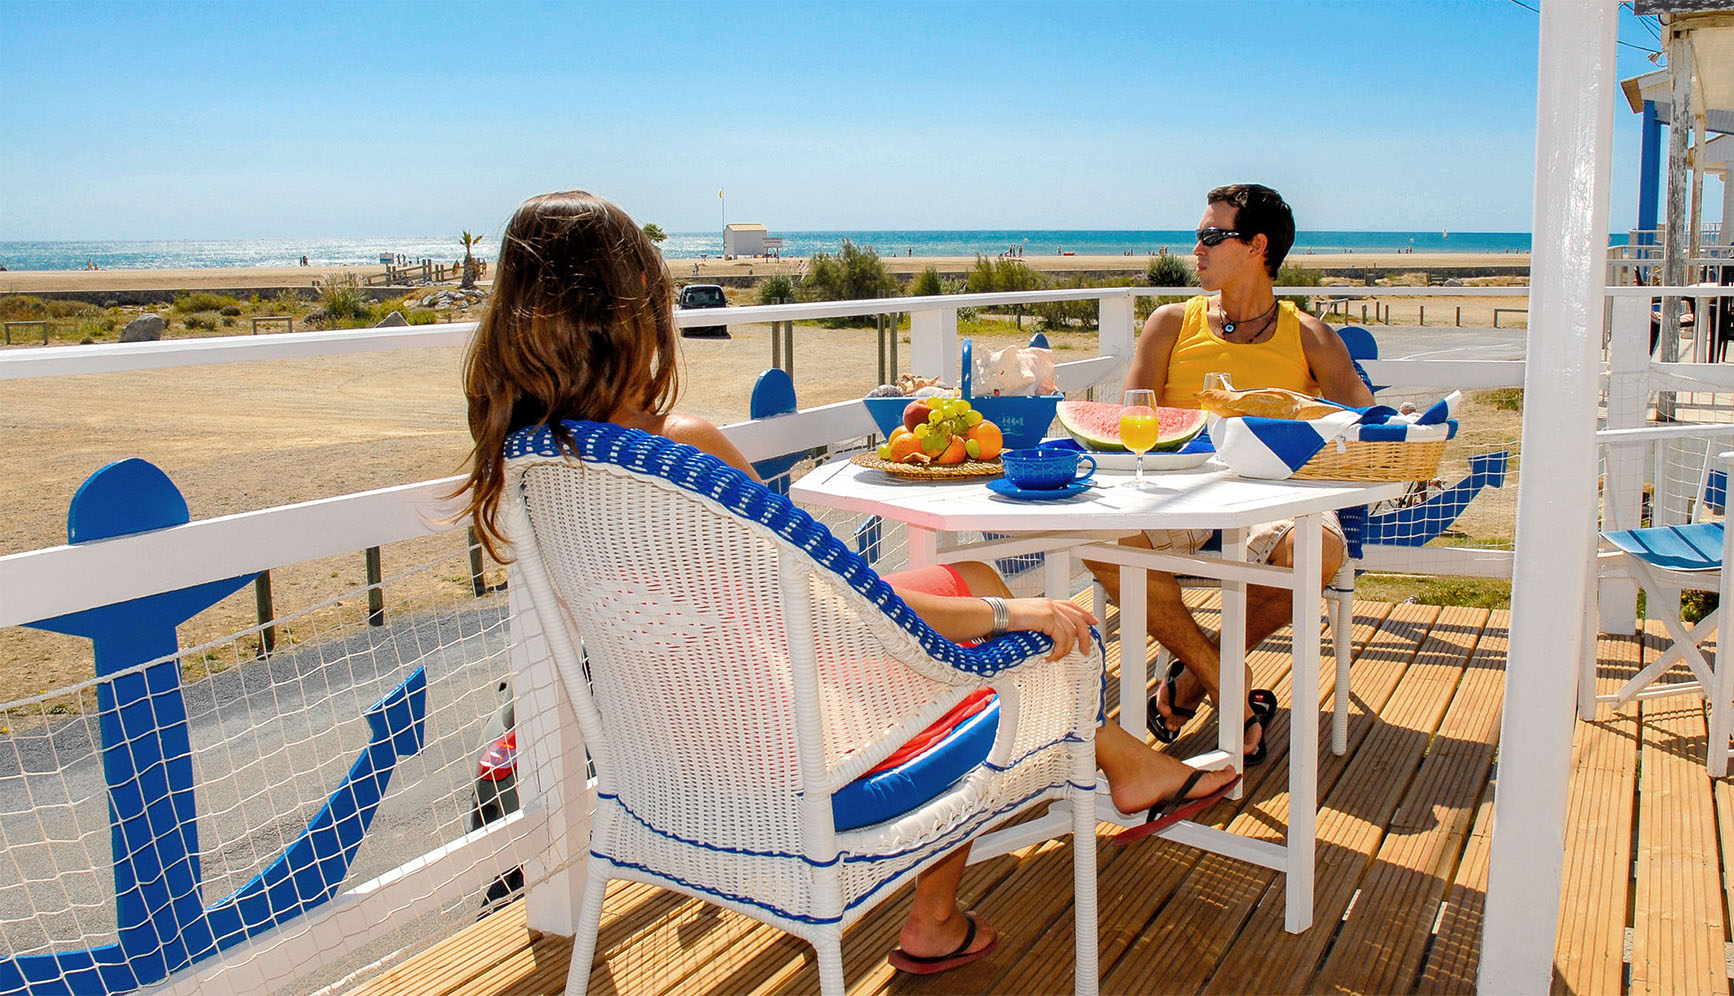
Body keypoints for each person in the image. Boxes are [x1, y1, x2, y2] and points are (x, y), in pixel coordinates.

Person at [456, 191, 1238, 978]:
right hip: (808, 769)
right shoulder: (681, 454)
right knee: (1038, 639)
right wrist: (1014, 613)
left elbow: (810, 605)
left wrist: (988, 601)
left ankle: (983, 880)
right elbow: (855, 605)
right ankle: (1082, 799)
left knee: (970, 573)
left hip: (669, 770)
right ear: (635, 313)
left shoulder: (528, 465)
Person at [1085, 183, 1373, 765]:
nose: (1196, 248)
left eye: (1210, 236)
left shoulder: (1311, 335)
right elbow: (1129, 421)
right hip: (1178, 495)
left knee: (1318, 549)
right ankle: (1220, 675)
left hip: (1275, 501)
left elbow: (1366, 425)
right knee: (1096, 537)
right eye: (1198, 235)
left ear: (1256, 246)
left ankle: (1190, 682)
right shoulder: (1169, 323)